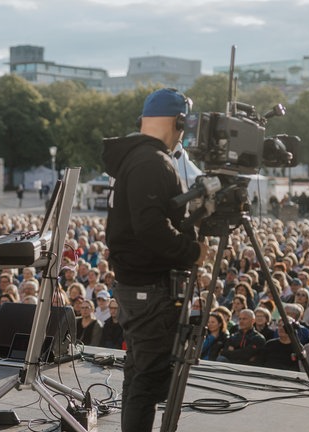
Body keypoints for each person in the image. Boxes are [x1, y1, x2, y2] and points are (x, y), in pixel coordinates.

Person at [101, 88, 207, 432]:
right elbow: (151, 227)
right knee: (147, 382)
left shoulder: (137, 157)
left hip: (137, 286)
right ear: (180, 121)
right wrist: (193, 251)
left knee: (138, 375)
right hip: (149, 291)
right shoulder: (151, 161)